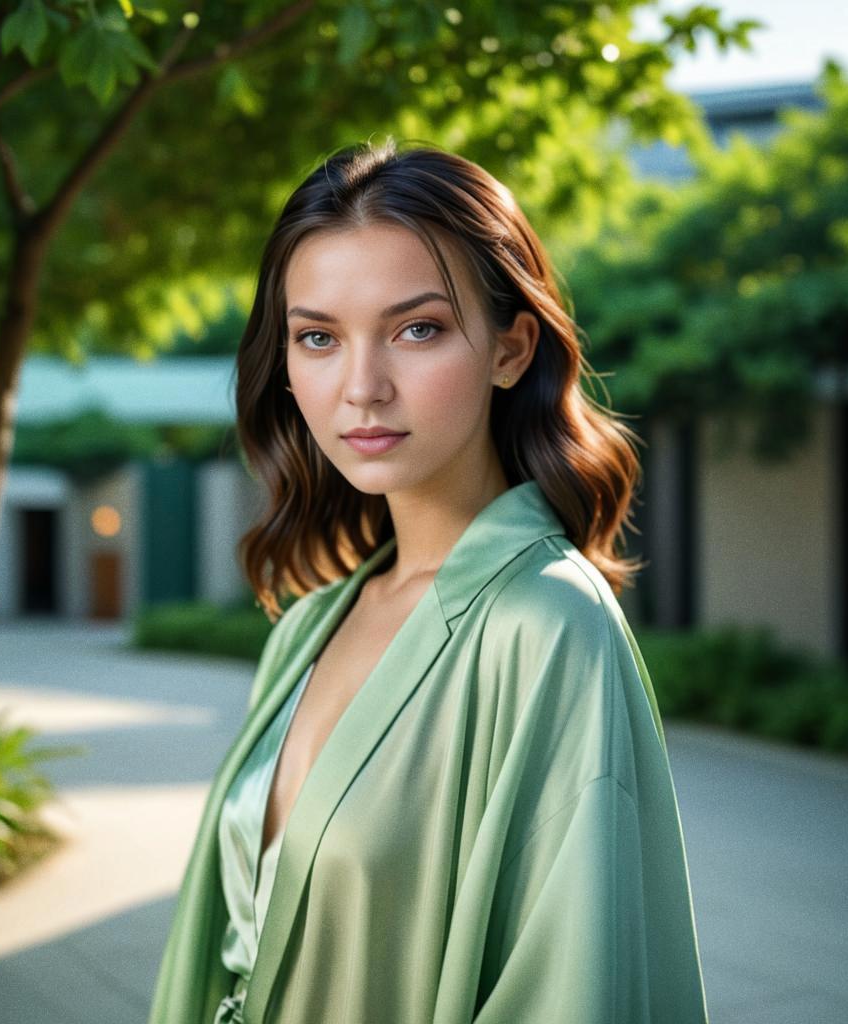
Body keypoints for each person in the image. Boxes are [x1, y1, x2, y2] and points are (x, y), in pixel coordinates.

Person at [147, 139, 708, 1024]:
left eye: (418, 329)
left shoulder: (547, 625)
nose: (362, 387)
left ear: (511, 349)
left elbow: (568, 990)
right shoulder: (312, 623)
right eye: (319, 337)